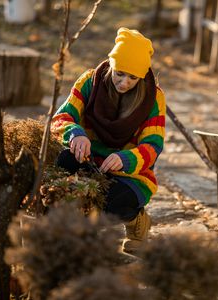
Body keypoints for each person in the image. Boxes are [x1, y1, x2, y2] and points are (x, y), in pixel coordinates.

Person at [51, 27, 166, 253]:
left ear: (141, 76)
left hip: (130, 173)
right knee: (63, 162)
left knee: (110, 207)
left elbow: (153, 146)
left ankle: (137, 221)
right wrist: (75, 133)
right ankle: (55, 232)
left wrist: (125, 158)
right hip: (88, 159)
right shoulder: (89, 81)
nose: (124, 83)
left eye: (132, 78)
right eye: (119, 73)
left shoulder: (153, 98)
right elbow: (60, 118)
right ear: (111, 64)